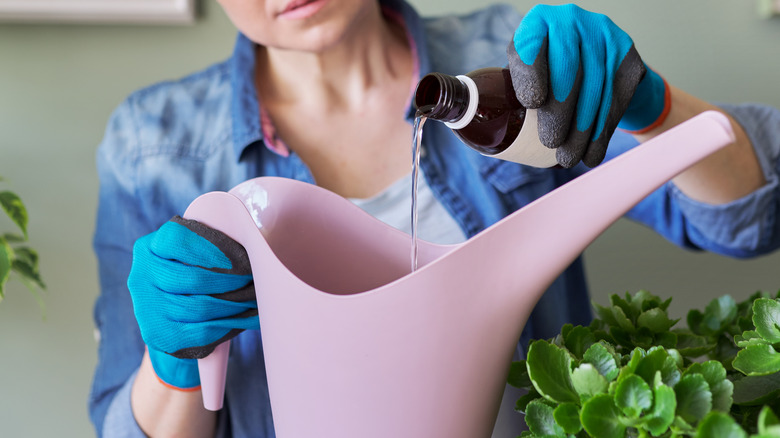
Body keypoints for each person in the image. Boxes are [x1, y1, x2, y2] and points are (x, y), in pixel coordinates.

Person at [88, 0, 780, 436]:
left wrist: (654, 107)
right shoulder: (153, 146)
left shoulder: (514, 60)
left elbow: (745, 222)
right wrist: (173, 362)